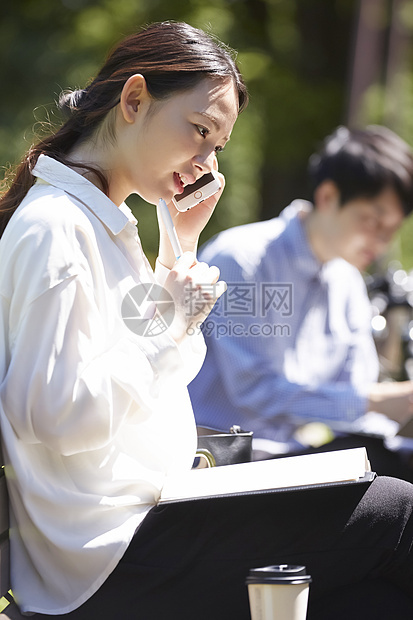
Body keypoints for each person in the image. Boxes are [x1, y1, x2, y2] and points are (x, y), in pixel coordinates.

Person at [1, 21, 413, 620]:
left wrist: (179, 248)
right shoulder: (58, 228)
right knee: (399, 512)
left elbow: (148, 359)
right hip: (111, 548)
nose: (206, 162)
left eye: (217, 145)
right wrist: (171, 321)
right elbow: (50, 413)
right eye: (199, 132)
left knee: (370, 598)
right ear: (134, 100)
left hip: (154, 512)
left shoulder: (103, 223)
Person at [189, 125, 413, 481]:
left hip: (285, 458)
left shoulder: (348, 282)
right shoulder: (242, 260)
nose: (382, 243)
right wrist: (378, 401)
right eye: (373, 222)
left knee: (392, 464)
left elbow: (358, 404)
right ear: (328, 197)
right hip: (214, 461)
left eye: (392, 230)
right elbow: (255, 392)